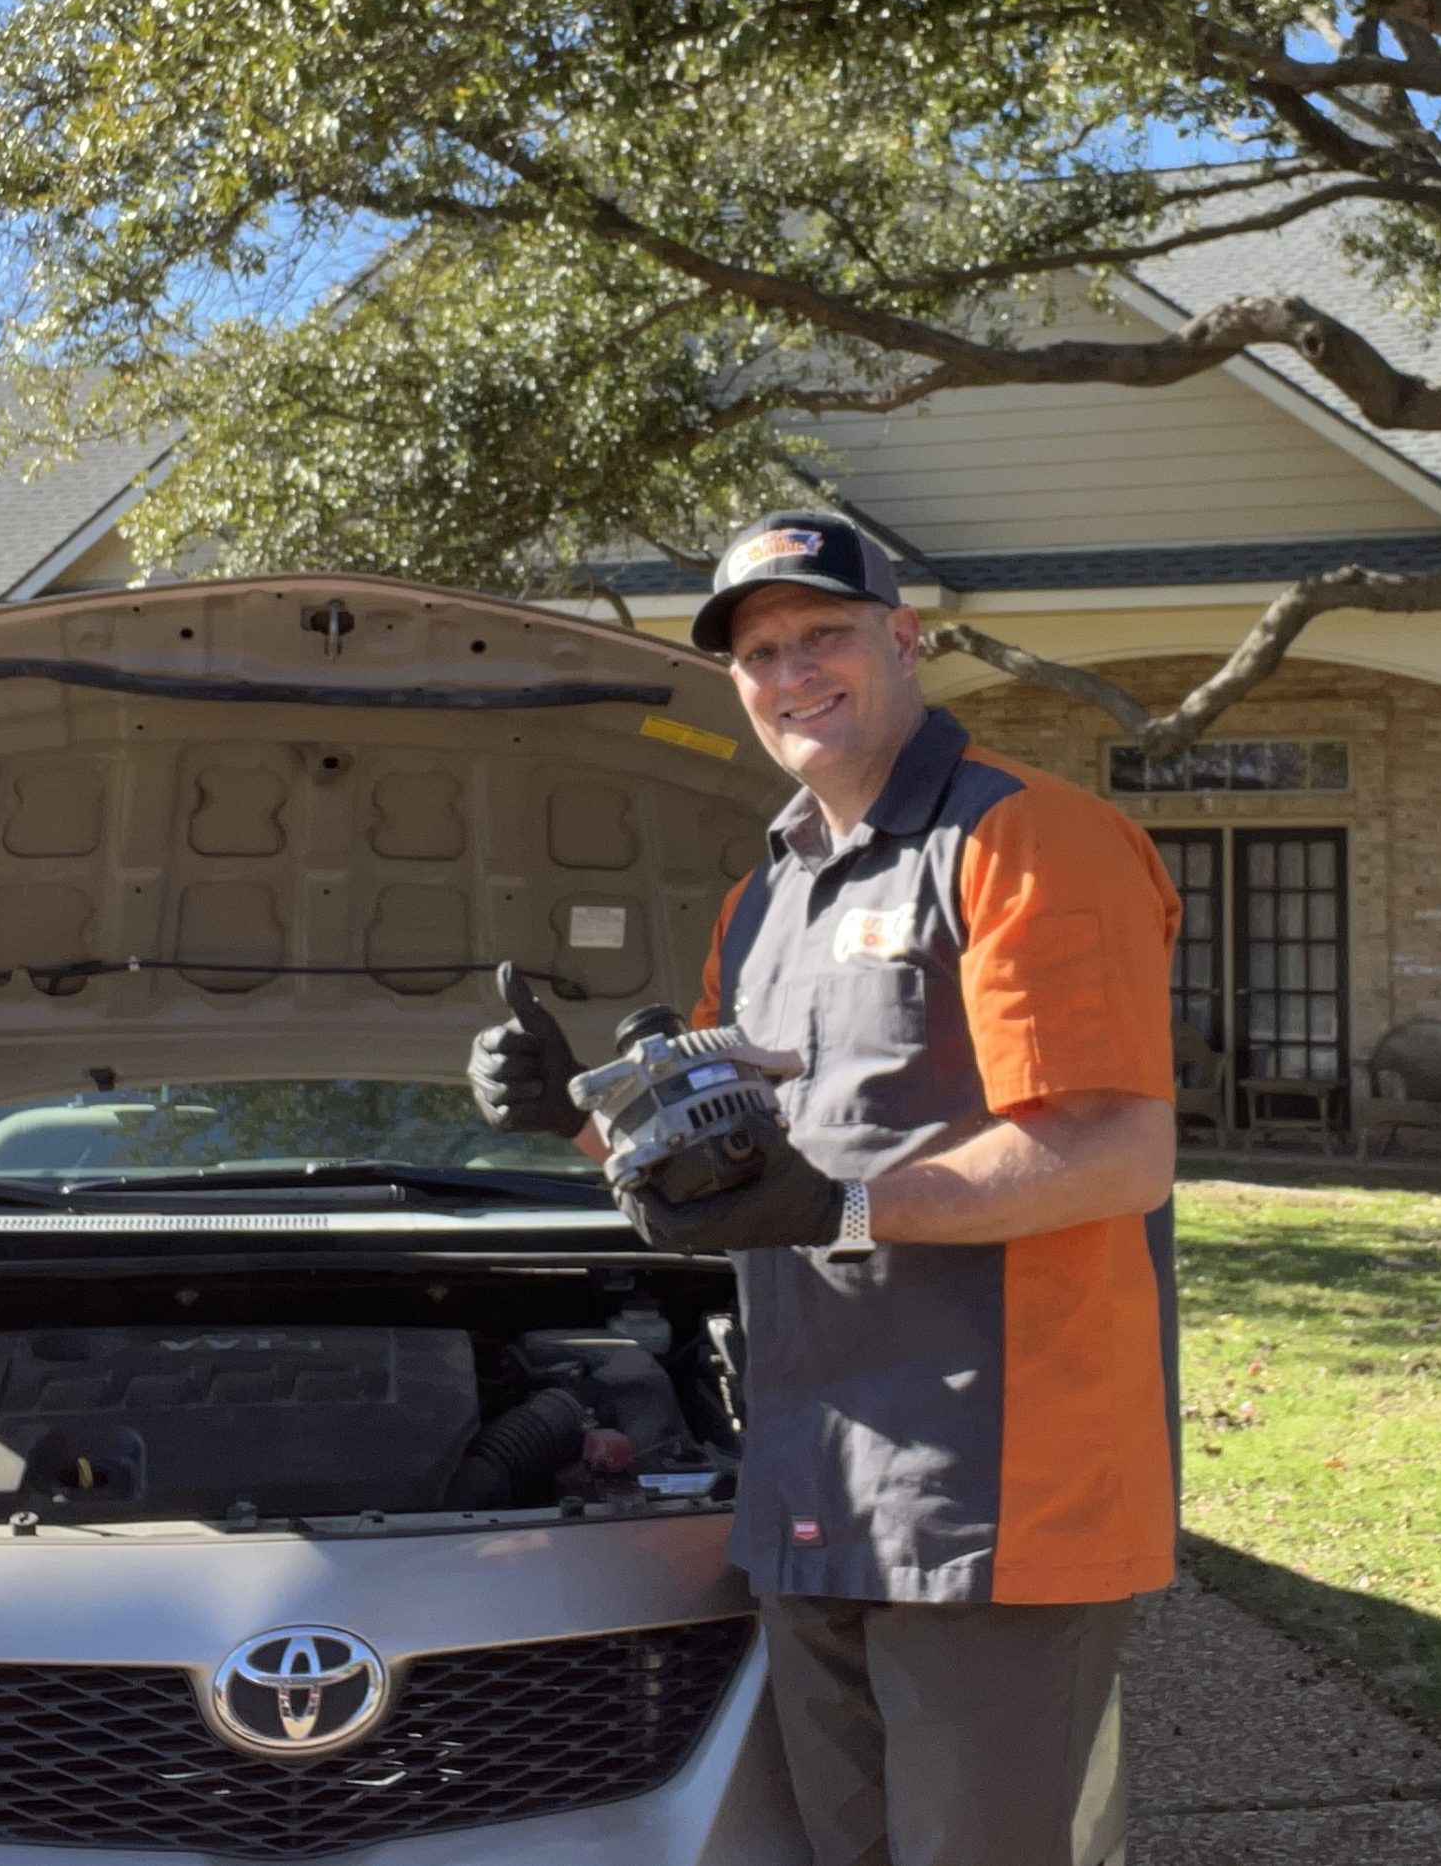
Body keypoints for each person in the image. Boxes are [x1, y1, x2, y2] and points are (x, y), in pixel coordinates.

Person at [468, 507, 1183, 1866]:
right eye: (760, 654)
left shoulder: (1023, 839)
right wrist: (574, 1113)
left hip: (995, 1495)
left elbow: (1109, 1146)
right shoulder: (767, 899)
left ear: (906, 640)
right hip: (812, 1481)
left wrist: (844, 1207)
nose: (791, 673)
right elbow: (725, 1159)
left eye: (823, 637)